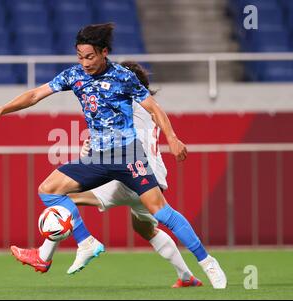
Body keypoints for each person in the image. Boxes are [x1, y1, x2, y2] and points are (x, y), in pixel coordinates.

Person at [0, 23, 227, 289]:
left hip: (129, 155)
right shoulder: (74, 75)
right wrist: (1, 110)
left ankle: (208, 263)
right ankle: (86, 241)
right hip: (98, 157)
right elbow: (36, 94)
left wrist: (173, 138)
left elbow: (154, 107)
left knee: (162, 213)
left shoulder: (123, 76)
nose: (84, 62)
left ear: (104, 52)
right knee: (48, 190)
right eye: (79, 56)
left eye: (90, 56)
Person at [15, 61, 203, 288]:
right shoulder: (147, 108)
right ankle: (186, 277)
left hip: (129, 176)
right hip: (153, 179)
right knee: (144, 227)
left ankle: (46, 256)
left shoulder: (125, 104)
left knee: (63, 199)